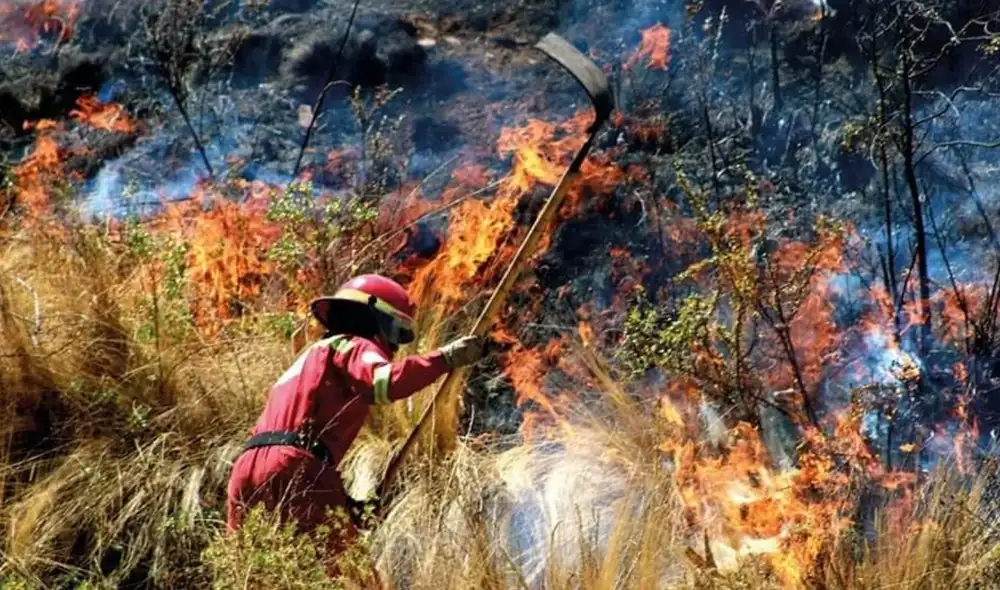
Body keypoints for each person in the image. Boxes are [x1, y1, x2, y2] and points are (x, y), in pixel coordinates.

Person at [226, 274, 484, 579]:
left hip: (246, 471)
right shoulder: (353, 345)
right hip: (296, 465)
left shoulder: (310, 356)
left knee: (253, 577)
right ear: (378, 320)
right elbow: (383, 383)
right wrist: (445, 358)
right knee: (352, 580)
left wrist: (347, 507)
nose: (395, 346)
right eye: (396, 334)